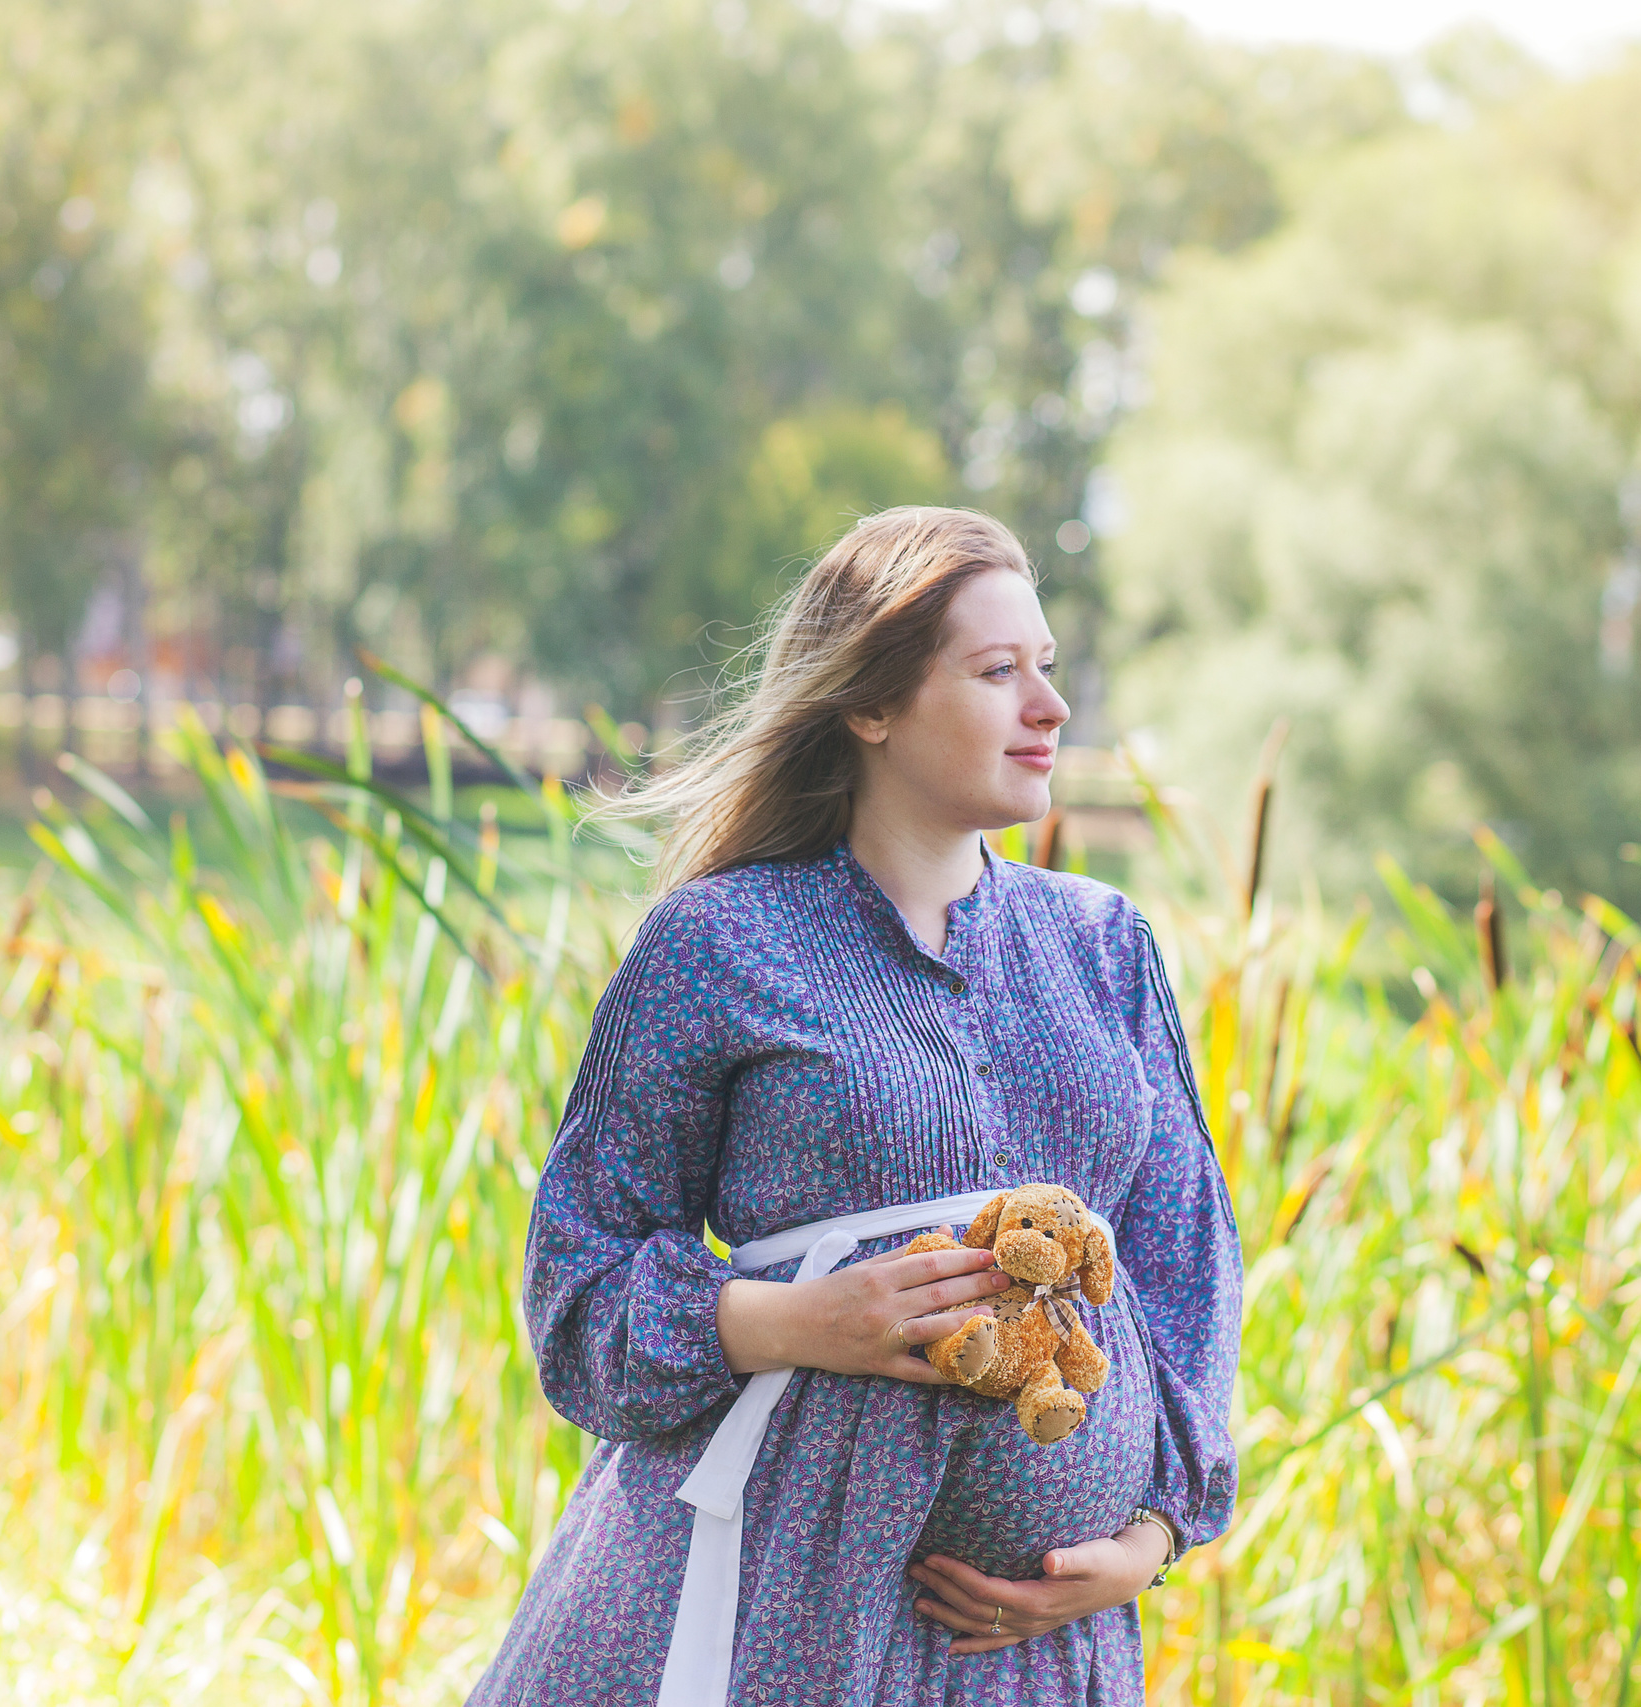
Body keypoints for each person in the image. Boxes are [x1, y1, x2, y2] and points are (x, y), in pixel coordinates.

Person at [467, 507, 1242, 1706]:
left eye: (1046, 666)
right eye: (997, 671)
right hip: (776, 1617)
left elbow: (1185, 1262)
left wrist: (1146, 1541)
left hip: (1032, 1659)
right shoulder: (720, 943)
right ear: (871, 706)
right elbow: (578, 1291)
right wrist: (790, 1322)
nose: (1049, 706)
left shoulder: (1104, 944)